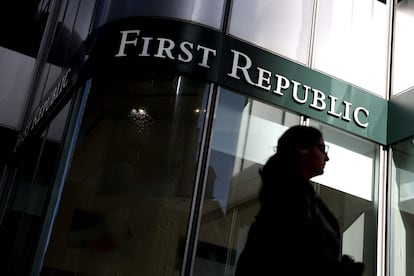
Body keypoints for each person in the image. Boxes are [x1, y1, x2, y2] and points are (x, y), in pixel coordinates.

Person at [234, 125, 365, 276]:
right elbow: (299, 255)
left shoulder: (292, 194)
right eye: (322, 148)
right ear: (303, 148)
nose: (327, 157)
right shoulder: (289, 197)